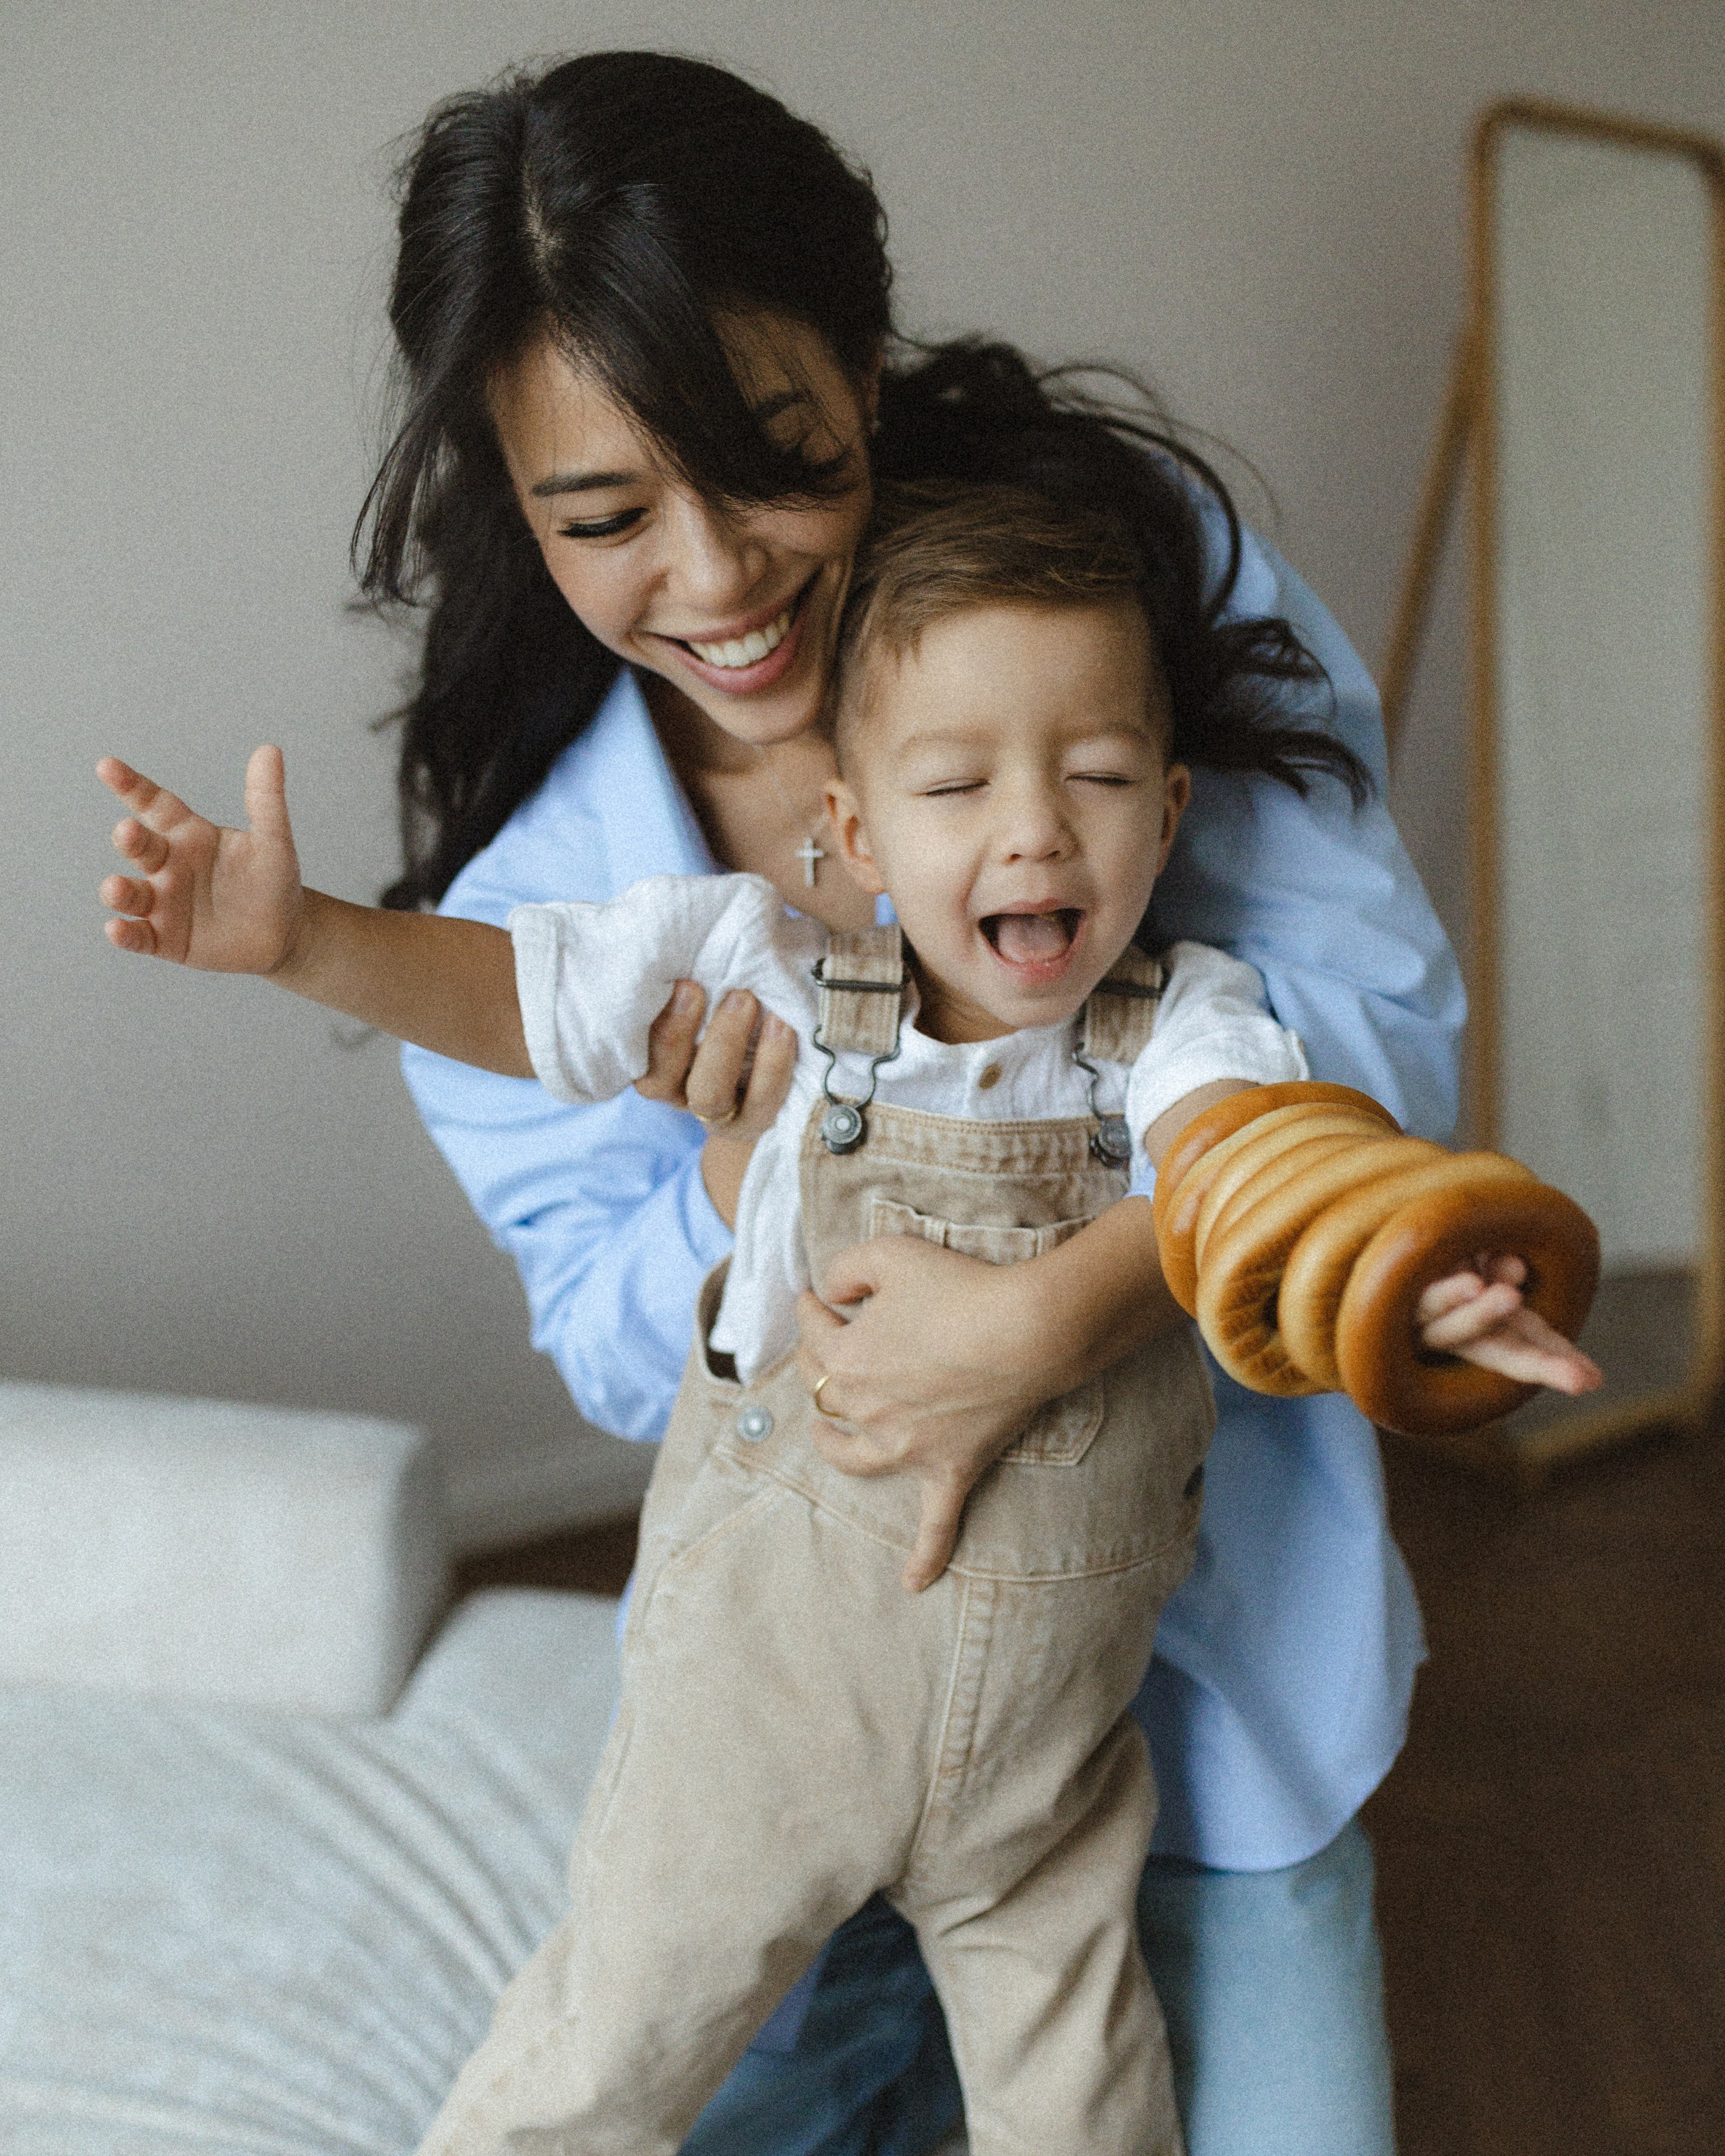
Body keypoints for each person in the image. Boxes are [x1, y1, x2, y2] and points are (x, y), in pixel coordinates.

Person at [96, 482, 1594, 2155]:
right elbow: (520, 1000)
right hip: (768, 1713)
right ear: (857, 831)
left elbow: (1270, 1183)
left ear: (1168, 812)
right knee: (600, 2058)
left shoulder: (1188, 1029)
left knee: (1092, 2111)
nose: (1033, 831)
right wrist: (301, 938)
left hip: (1045, 1765)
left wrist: (1430, 1278)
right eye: (958, 786)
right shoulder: (785, 980)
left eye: (1094, 779)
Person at [346, 49, 1448, 2156]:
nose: (718, 578)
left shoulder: (1131, 592)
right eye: (606, 517)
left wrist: (1071, 1307)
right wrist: (738, 1187)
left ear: (865, 363)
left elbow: (1379, 1043)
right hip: (795, 1713)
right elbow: (602, 1338)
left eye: (775, 460)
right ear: (514, 499)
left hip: (1198, 1696)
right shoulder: (544, 914)